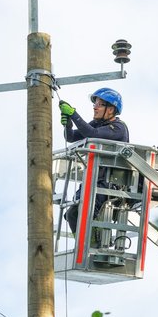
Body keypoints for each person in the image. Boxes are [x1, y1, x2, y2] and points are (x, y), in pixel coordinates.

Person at [59, 87, 130, 235]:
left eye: (99, 104)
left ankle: (93, 242)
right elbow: (71, 137)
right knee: (72, 214)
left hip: (108, 184)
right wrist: (68, 124)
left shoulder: (118, 128)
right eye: (95, 103)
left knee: (85, 212)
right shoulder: (97, 124)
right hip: (93, 180)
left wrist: (74, 114)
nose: (95, 107)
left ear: (110, 110)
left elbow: (93, 134)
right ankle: (86, 242)